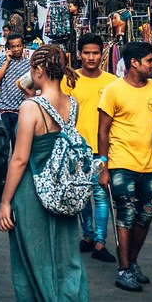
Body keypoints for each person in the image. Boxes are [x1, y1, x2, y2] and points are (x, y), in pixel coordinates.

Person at [0, 44, 89, 301]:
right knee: (64, 257)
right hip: (62, 189)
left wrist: (5, 201)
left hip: (31, 193)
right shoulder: (73, 104)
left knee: (32, 258)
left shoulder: (30, 109)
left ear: (38, 70)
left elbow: (19, 159)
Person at [97, 41, 152, 292]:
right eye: (150, 60)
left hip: (149, 163)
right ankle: (124, 269)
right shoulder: (113, 90)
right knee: (126, 214)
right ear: (134, 63)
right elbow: (103, 131)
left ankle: (133, 262)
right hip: (120, 162)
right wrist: (103, 166)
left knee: (146, 215)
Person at [61, 33, 118, 263]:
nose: (91, 57)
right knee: (82, 198)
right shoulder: (70, 79)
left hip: (102, 149)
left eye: (95, 53)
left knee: (101, 196)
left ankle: (100, 242)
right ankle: (88, 236)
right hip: (76, 149)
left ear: (102, 53)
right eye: (86, 53)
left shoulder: (112, 82)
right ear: (79, 54)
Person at [0, 34, 34, 145]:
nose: (16, 49)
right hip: (4, 109)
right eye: (13, 46)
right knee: (3, 146)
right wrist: (7, 61)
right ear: (8, 48)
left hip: (20, 110)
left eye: (18, 46)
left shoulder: (29, 64)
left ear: (23, 46)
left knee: (18, 145)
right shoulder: (2, 60)